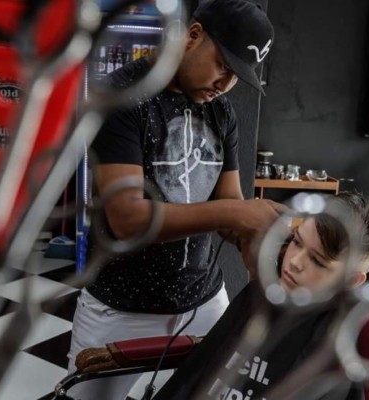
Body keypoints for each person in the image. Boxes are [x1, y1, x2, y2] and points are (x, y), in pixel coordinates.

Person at [67, 1, 283, 399]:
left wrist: (265, 250)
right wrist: (238, 212)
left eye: (235, 76)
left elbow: (230, 208)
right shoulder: (122, 96)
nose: (225, 84)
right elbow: (128, 218)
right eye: (222, 65)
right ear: (193, 35)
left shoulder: (222, 114)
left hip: (204, 301)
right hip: (121, 306)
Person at [150, 191, 369, 400]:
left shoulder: (332, 354)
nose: (294, 262)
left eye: (317, 261)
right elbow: (196, 375)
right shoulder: (258, 295)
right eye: (296, 241)